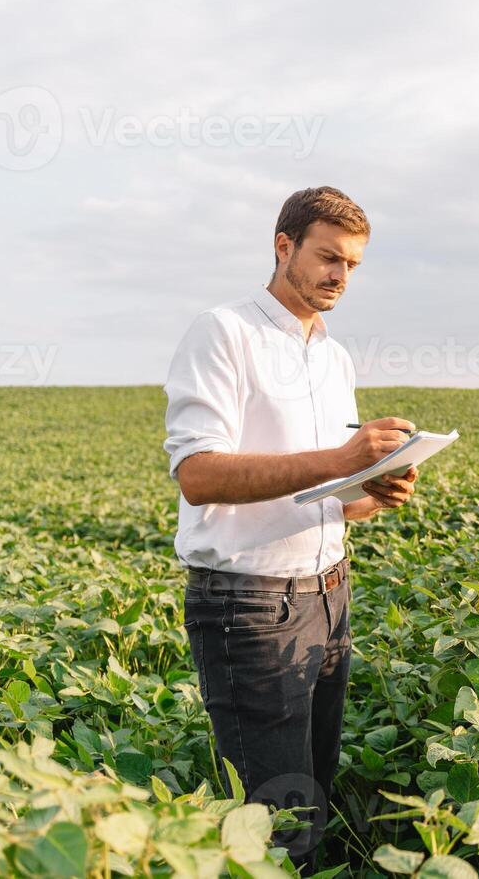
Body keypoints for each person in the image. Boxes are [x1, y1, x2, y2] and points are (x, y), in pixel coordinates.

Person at [161, 185, 417, 869]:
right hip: (250, 605)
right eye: (328, 257)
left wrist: (371, 493)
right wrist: (340, 458)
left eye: (352, 265)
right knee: (279, 828)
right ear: (284, 247)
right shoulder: (224, 333)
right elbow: (199, 474)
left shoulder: (333, 357)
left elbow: (317, 490)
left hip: (330, 595)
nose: (340, 275)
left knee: (313, 796)